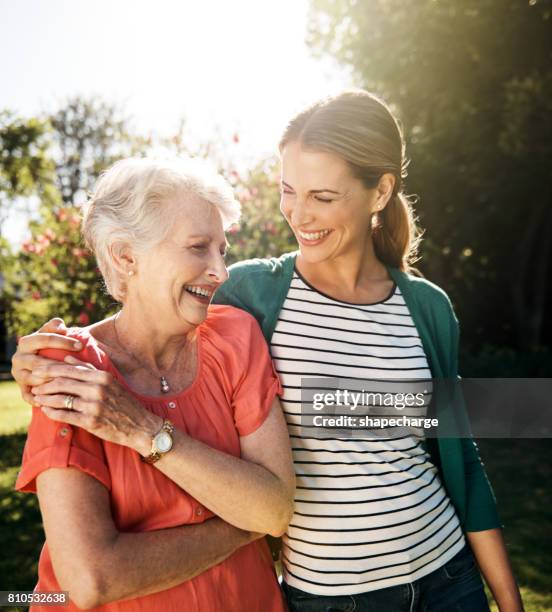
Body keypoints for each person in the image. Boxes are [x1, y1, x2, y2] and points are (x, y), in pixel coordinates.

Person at [12, 91, 523, 612]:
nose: (300, 215)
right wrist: (50, 352)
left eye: (323, 196)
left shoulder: (427, 308)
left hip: (448, 573)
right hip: (331, 597)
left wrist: (507, 597)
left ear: (380, 192)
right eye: (288, 190)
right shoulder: (253, 295)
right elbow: (145, 309)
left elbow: (461, 459)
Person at [12, 157, 295, 611]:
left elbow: (275, 508)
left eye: (222, 250)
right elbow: (91, 579)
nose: (220, 272)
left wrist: (142, 430)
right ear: (127, 257)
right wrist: (244, 521)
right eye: (198, 246)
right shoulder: (70, 367)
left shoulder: (235, 337)